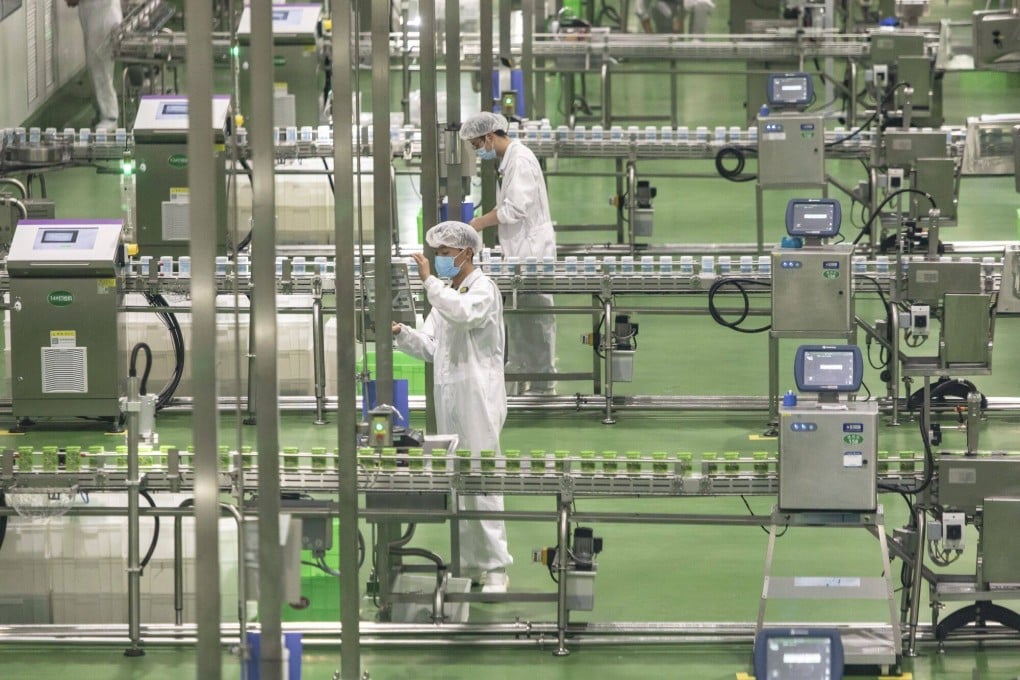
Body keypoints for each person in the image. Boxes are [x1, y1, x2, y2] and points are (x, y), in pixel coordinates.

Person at [392, 221, 512, 592]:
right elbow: (432, 346)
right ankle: (470, 562)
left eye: (445, 253)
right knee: (460, 479)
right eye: (437, 253)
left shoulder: (482, 291)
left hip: (477, 395)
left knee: (482, 478)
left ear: (467, 253)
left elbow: (464, 314)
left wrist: (429, 283)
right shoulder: (448, 294)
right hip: (449, 396)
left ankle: (496, 567)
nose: (439, 259)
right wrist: (402, 334)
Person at [461, 111, 557, 397]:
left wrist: (477, 224)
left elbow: (515, 209)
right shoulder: (510, 161)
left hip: (532, 254)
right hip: (521, 252)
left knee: (535, 318)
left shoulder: (520, 160)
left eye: (479, 145)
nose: (479, 152)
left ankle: (542, 384)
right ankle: (522, 375)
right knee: (520, 318)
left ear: (491, 137)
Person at [66, 0, 122, 130]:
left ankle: (110, 116)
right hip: (91, 11)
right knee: (93, 66)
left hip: (103, 13)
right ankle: (101, 111)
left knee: (100, 65)